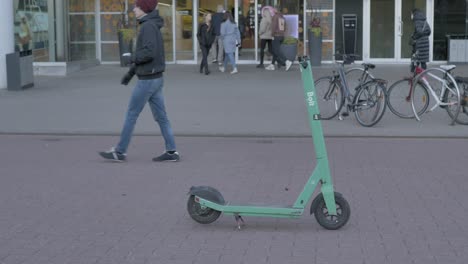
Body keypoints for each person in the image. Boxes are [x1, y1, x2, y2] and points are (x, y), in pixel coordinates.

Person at [99, 0, 179, 162]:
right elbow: (149, 54)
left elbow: (148, 53)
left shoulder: (148, 27)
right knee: (161, 117)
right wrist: (130, 74)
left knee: (131, 115)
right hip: (155, 78)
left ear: (144, 8)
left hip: (147, 81)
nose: (134, 9)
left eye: (136, 6)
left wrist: (131, 58)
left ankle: (120, 152)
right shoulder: (152, 25)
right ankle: (172, 152)